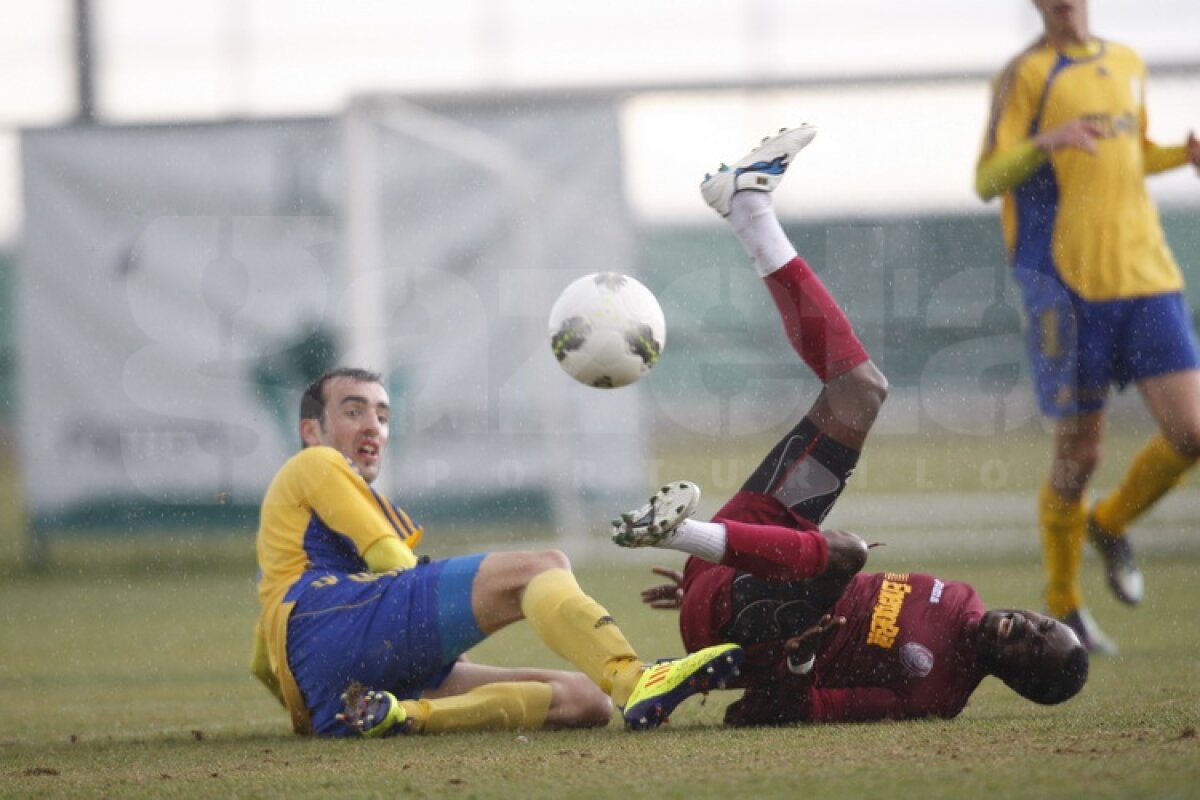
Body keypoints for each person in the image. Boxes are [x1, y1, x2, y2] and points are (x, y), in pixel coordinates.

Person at [611, 126, 1089, 724]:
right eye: (1043, 624)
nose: (1028, 628)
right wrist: (731, 588)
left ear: (1018, 677)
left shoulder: (933, 696)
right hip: (731, 575)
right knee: (860, 392)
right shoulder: (961, 596)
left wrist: (802, 662)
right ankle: (747, 207)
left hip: (734, 631)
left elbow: (771, 713)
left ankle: (678, 533)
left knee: (846, 553)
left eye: (1033, 647)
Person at [250, 367, 743, 737]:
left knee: (587, 701)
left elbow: (261, 659)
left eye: (382, 415)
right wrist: (437, 634)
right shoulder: (316, 462)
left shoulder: (286, 546)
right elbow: (388, 559)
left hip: (333, 699)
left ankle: (402, 717)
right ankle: (636, 679)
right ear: (311, 431)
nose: (373, 427)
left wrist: (309, 710)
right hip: (334, 625)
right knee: (540, 567)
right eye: (353, 411)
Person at [974, 0, 1200, 654]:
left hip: (1148, 275)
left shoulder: (1127, 61)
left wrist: (1175, 157)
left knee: (1191, 432)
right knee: (1080, 455)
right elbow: (988, 179)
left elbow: (1124, 155)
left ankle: (1111, 521)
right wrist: (1044, 142)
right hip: (1066, 289)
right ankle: (1064, 602)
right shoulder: (1024, 76)